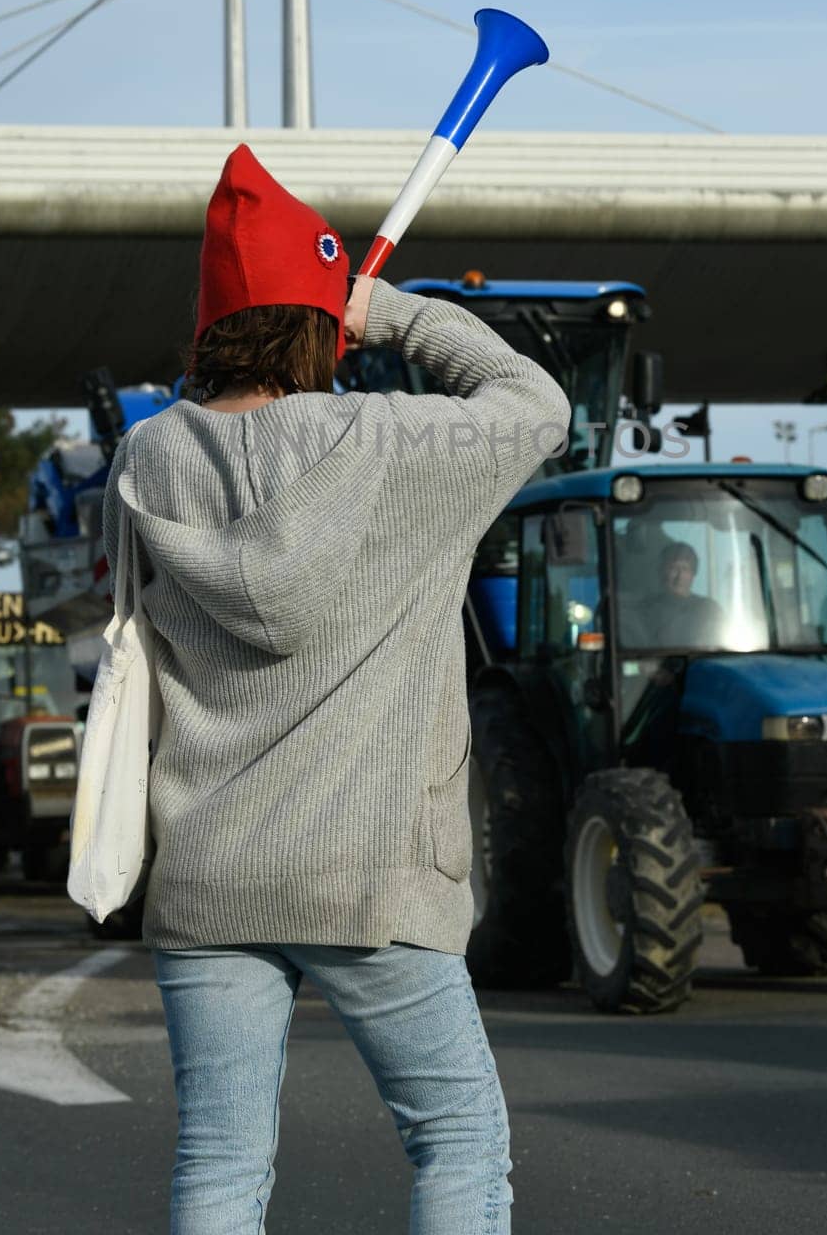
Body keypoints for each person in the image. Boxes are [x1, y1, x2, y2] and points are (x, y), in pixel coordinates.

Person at [101, 142, 571, 1235]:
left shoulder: (146, 460)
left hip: (211, 873)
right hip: (371, 876)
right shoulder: (391, 443)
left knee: (219, 1168)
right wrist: (392, 313)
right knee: (454, 1142)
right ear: (324, 323)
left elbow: (212, 439)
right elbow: (530, 400)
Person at [630, 540, 725, 649]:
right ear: (661, 571)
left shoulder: (709, 609)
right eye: (673, 568)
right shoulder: (645, 610)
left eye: (685, 569)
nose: (679, 577)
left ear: (693, 574)